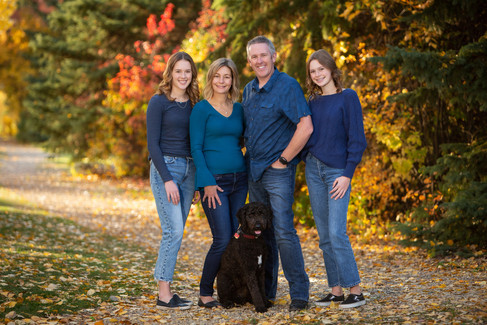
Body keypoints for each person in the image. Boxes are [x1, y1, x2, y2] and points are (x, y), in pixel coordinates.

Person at [242, 35, 313, 311]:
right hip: (254, 171)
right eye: (254, 57)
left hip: (278, 172)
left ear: (274, 57)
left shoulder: (287, 86)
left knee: (283, 231)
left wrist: (284, 160)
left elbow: (305, 126)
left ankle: (299, 294)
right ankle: (267, 292)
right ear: (249, 62)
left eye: (263, 55)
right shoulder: (248, 90)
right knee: (263, 234)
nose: (259, 60)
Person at [303, 49, 367, 308]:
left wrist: (347, 174)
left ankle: (356, 290)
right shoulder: (312, 101)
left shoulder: (348, 97)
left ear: (331, 69)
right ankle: (336, 290)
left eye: (321, 68)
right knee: (324, 236)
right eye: (313, 71)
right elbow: (306, 135)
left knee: (337, 232)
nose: (317, 74)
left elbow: (357, 140)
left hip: (337, 172)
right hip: (313, 170)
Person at [190, 58, 248, 309]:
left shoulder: (239, 109)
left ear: (233, 80)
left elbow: (243, 140)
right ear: (210, 78)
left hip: (240, 180)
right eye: (217, 76)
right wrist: (206, 182)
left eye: (227, 76)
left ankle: (232, 290)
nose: (222, 81)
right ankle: (205, 292)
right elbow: (196, 148)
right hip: (215, 184)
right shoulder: (201, 109)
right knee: (222, 238)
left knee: (236, 237)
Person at [146, 51, 200, 309]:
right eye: (178, 71)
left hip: (190, 171)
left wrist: (198, 178)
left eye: (187, 71)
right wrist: (167, 179)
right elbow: (152, 145)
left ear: (193, 74)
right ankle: (163, 293)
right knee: (173, 231)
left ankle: (167, 290)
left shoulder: (195, 103)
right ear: (170, 73)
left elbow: (197, 143)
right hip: (165, 168)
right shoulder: (158, 102)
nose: (183, 76)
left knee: (177, 232)